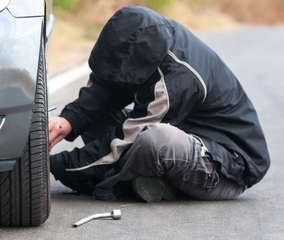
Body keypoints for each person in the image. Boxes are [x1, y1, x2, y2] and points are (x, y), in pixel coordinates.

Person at [48, 6, 270, 202]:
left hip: (225, 168)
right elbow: (108, 88)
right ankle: (148, 178)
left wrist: (56, 165)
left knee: (155, 138)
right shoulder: (150, 37)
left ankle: (114, 181)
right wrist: (68, 120)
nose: (117, 80)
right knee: (99, 116)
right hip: (188, 137)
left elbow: (126, 140)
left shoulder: (178, 79)